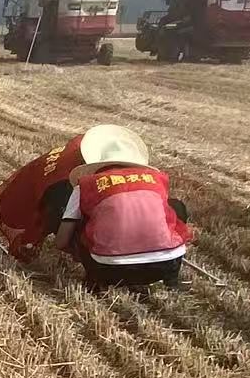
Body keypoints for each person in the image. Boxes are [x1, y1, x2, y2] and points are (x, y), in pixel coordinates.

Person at [53, 124, 192, 290]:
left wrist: (74, 249)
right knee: (175, 207)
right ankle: (172, 280)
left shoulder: (85, 186)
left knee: (80, 220)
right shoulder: (155, 180)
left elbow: (62, 240)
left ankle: (94, 282)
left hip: (108, 271)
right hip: (164, 268)